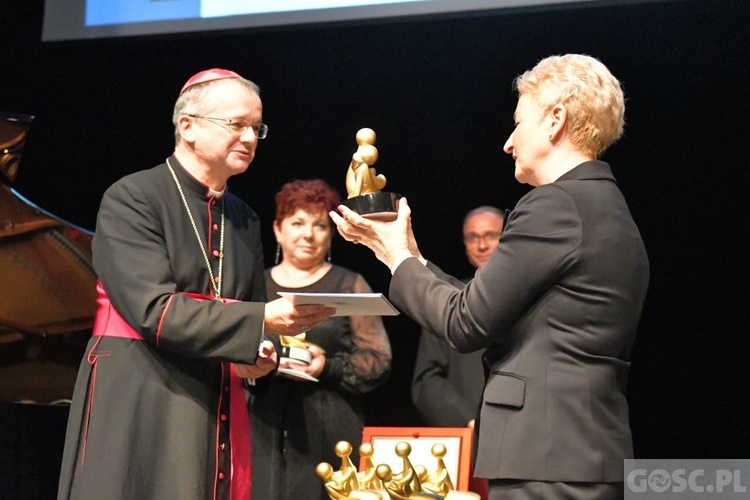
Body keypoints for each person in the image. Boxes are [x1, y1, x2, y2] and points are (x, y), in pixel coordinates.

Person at [330, 54, 649, 499]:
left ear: (556, 120)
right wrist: (406, 255)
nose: (508, 142)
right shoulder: (606, 207)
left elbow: (464, 324)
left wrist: (395, 254)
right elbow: (477, 303)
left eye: (519, 123)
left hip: (546, 458)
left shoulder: (555, 206)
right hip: (579, 453)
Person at [57, 68, 334, 500]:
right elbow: (153, 310)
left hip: (217, 401)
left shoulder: (244, 217)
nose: (250, 137)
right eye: (236, 124)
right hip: (142, 394)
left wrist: (259, 355)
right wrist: (260, 320)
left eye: (256, 128)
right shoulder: (133, 197)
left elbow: (250, 316)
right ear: (187, 126)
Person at [250, 179, 392, 500]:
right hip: (263, 424)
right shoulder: (255, 285)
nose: (308, 234)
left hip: (330, 429)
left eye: (320, 225)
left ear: (330, 235)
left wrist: (327, 366)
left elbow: (378, 360)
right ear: (277, 229)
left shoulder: (348, 283)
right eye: (297, 223)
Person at [411, 206, 505, 427]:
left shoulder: (528, 294)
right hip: (464, 430)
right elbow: (427, 379)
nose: (482, 245)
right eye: (473, 238)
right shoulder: (449, 299)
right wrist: (467, 420)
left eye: (491, 236)